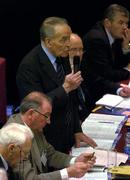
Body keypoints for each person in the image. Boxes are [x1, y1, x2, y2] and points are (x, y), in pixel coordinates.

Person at [16, 16, 97, 153]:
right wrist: (64, 88)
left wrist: (76, 130)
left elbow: (71, 98)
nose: (68, 44)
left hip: (67, 136)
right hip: (46, 140)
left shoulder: (61, 55)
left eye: (68, 38)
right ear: (48, 42)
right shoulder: (29, 66)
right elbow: (34, 109)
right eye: (63, 40)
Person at [7, 91, 96, 180]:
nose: (49, 121)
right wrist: (67, 173)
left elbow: (49, 154)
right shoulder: (14, 139)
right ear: (31, 114)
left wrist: (75, 160)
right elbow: (29, 178)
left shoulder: (33, 125)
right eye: (46, 116)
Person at [81, 4, 130, 103]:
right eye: (121, 23)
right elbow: (107, 74)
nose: (125, 27)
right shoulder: (97, 39)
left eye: (126, 23)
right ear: (107, 23)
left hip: (105, 87)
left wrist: (125, 47)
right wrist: (128, 71)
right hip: (93, 94)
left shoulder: (114, 35)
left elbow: (117, 65)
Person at [69, 33, 95, 121]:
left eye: (81, 50)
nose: (78, 54)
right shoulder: (60, 74)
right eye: (73, 49)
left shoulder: (82, 66)